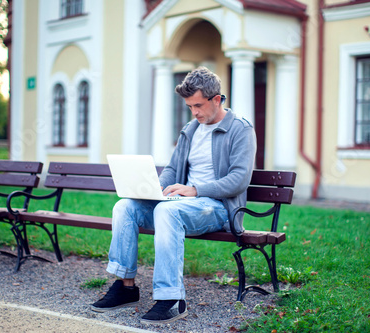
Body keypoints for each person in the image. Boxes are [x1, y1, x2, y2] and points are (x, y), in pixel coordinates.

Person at [90, 66, 257, 324]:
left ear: (216, 99)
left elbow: (239, 180)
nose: (194, 112)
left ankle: (172, 300)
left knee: (167, 211)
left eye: (198, 105)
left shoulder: (240, 129)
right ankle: (125, 287)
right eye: (190, 106)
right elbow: (172, 169)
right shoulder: (191, 129)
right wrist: (154, 189)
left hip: (218, 208)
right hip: (183, 204)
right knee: (125, 206)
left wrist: (196, 190)